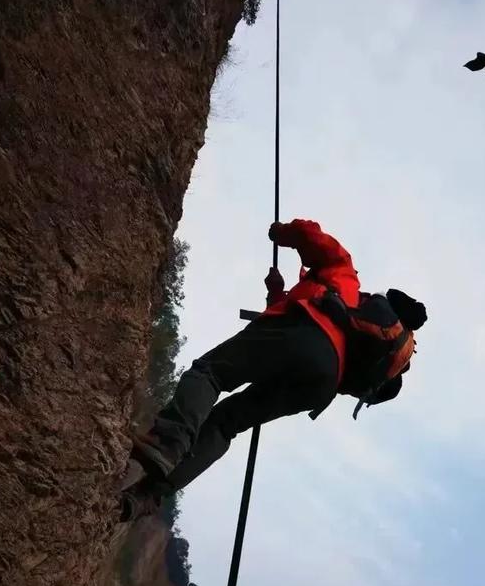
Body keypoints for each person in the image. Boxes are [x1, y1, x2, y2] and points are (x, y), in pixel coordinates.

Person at [120, 219, 427, 521]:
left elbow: (311, 236)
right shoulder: (376, 344)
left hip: (303, 331)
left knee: (210, 373)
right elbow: (291, 329)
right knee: (225, 425)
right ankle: (145, 497)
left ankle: (169, 443)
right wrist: (276, 293)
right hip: (320, 386)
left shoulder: (346, 281)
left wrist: (281, 232)